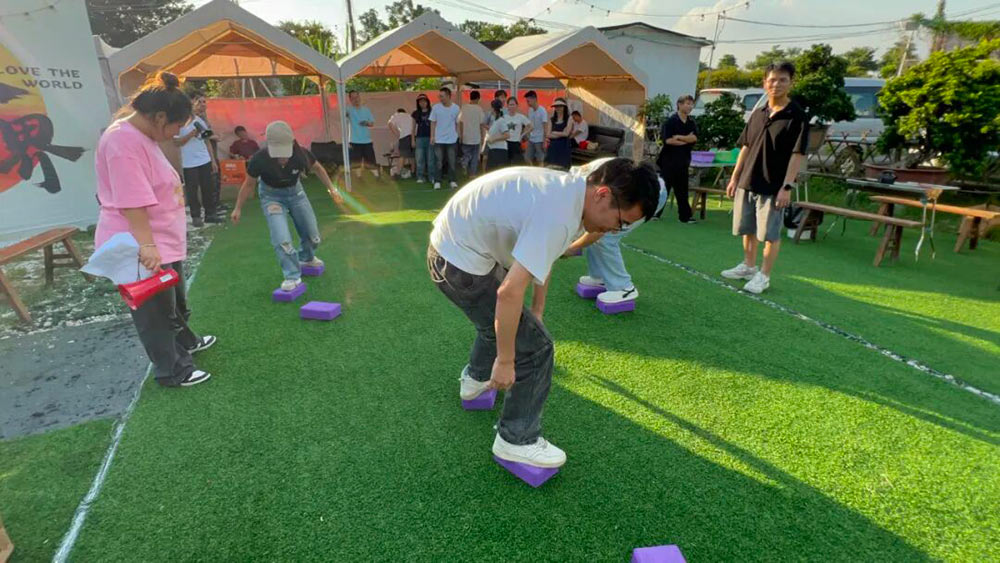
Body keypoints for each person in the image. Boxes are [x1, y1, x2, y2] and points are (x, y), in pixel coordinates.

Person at [427, 159, 660, 468]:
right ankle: (516, 440)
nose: (614, 230)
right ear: (603, 194)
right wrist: (506, 361)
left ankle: (474, 381)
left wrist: (537, 310)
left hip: (451, 250)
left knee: (500, 323)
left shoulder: (571, 191)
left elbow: (542, 258)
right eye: (620, 222)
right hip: (459, 263)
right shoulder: (560, 214)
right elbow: (508, 293)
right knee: (536, 348)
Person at [94, 72, 216, 388]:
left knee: (174, 301)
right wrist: (147, 247)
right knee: (155, 312)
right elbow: (131, 200)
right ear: (160, 117)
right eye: (177, 125)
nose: (176, 132)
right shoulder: (121, 141)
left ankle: (186, 342)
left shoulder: (140, 135)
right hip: (138, 243)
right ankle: (172, 370)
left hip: (159, 238)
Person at [722, 61, 809, 294]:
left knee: (770, 234)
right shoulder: (758, 114)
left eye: (782, 80)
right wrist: (735, 177)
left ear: (791, 83)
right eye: (772, 80)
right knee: (747, 228)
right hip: (748, 180)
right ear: (764, 83)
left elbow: (797, 154)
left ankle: (764, 275)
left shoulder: (796, 116)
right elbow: (746, 146)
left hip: (774, 185)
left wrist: (787, 186)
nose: (776, 84)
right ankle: (748, 266)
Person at [230, 121, 343, 291]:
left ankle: (306, 258)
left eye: (285, 152)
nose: (283, 158)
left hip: (296, 194)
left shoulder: (301, 154)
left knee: (313, 236)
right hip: (271, 197)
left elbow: (318, 169)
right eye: (278, 153)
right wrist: (238, 208)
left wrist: (332, 189)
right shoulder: (259, 159)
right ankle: (292, 275)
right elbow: (249, 184)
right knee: (281, 238)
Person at [568, 157, 669, 308]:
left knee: (605, 233)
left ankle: (623, 288)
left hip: (647, 195)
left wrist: (570, 248)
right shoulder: (576, 184)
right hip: (632, 190)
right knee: (598, 226)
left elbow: (595, 233)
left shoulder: (578, 186)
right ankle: (599, 277)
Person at [174, 92, 220, 227]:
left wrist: (212, 160)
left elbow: (207, 140)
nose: (199, 105)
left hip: (204, 160)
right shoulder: (178, 123)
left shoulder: (199, 120)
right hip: (189, 163)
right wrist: (191, 134)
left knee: (208, 188)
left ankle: (210, 214)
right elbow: (177, 142)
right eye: (197, 103)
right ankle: (196, 216)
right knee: (192, 191)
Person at [657, 95, 699, 223]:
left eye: (691, 104)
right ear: (680, 105)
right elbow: (668, 140)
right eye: (687, 103)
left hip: (683, 161)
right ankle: (655, 213)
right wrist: (686, 140)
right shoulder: (670, 122)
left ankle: (685, 216)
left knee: (682, 190)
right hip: (668, 160)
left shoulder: (691, 123)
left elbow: (694, 138)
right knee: (664, 188)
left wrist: (680, 137)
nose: (690, 106)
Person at [430, 86, 461, 190]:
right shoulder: (436, 108)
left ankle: (452, 180)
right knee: (438, 161)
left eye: (442, 96)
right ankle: (437, 181)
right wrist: (432, 136)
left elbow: (458, 123)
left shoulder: (456, 108)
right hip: (439, 139)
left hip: (452, 139)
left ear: (448, 96)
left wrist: (458, 135)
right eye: (439, 96)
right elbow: (433, 122)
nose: (440, 98)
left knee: (452, 161)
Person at [345, 90, 379, 179]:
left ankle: (377, 177)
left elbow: (372, 123)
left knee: (371, 160)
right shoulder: (348, 109)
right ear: (350, 99)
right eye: (353, 98)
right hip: (354, 140)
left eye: (357, 97)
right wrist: (346, 115)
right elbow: (344, 117)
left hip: (367, 140)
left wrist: (366, 123)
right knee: (356, 162)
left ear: (359, 97)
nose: (355, 99)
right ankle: (358, 178)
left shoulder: (366, 110)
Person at [459, 90, 487, 177]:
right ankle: (472, 174)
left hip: (466, 136)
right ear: (478, 99)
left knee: (466, 153)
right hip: (475, 137)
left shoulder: (464, 108)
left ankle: (465, 162)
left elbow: (461, 122)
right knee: (475, 156)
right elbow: (482, 123)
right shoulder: (479, 109)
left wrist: (461, 135)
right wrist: (483, 136)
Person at [411, 94, 436, 184]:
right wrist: (412, 140)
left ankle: (432, 177)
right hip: (419, 138)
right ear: (418, 103)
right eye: (420, 102)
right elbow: (413, 128)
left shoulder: (432, 112)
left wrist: (434, 137)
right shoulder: (415, 113)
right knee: (419, 159)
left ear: (427, 102)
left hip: (430, 137)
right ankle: (420, 177)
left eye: (424, 101)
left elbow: (435, 125)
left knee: (431, 159)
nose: (422, 103)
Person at [544, 98, 572, 170]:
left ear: (564, 107)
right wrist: (561, 134)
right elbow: (548, 134)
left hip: (564, 146)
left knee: (563, 168)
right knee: (551, 168)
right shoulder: (552, 119)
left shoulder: (569, 118)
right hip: (553, 147)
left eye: (560, 106)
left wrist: (554, 132)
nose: (558, 108)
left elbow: (567, 133)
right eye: (556, 106)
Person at [524, 90, 550, 166]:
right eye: (527, 101)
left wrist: (545, 141)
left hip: (540, 139)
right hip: (532, 138)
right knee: (527, 158)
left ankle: (540, 172)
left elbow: (545, 126)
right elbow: (529, 125)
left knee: (540, 160)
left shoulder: (542, 111)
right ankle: (532, 170)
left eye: (528, 101)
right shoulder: (530, 110)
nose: (527, 103)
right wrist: (526, 134)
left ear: (534, 99)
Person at [504, 97, 532, 165]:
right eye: (510, 104)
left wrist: (522, 135)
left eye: (513, 104)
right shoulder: (504, 117)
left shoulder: (521, 117)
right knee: (506, 164)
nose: (512, 106)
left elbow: (531, 126)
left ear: (517, 105)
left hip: (516, 142)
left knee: (518, 163)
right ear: (507, 106)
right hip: (506, 143)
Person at [484, 99, 510, 171]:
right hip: (493, 149)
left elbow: (507, 135)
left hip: (499, 151)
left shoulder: (501, 120)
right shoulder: (496, 121)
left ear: (493, 109)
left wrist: (493, 139)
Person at [388, 108, 414, 179]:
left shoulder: (397, 115)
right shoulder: (410, 116)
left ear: (398, 112)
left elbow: (389, 123)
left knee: (402, 156)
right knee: (412, 156)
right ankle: (413, 171)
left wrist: (397, 134)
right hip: (413, 136)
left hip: (404, 137)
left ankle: (397, 173)